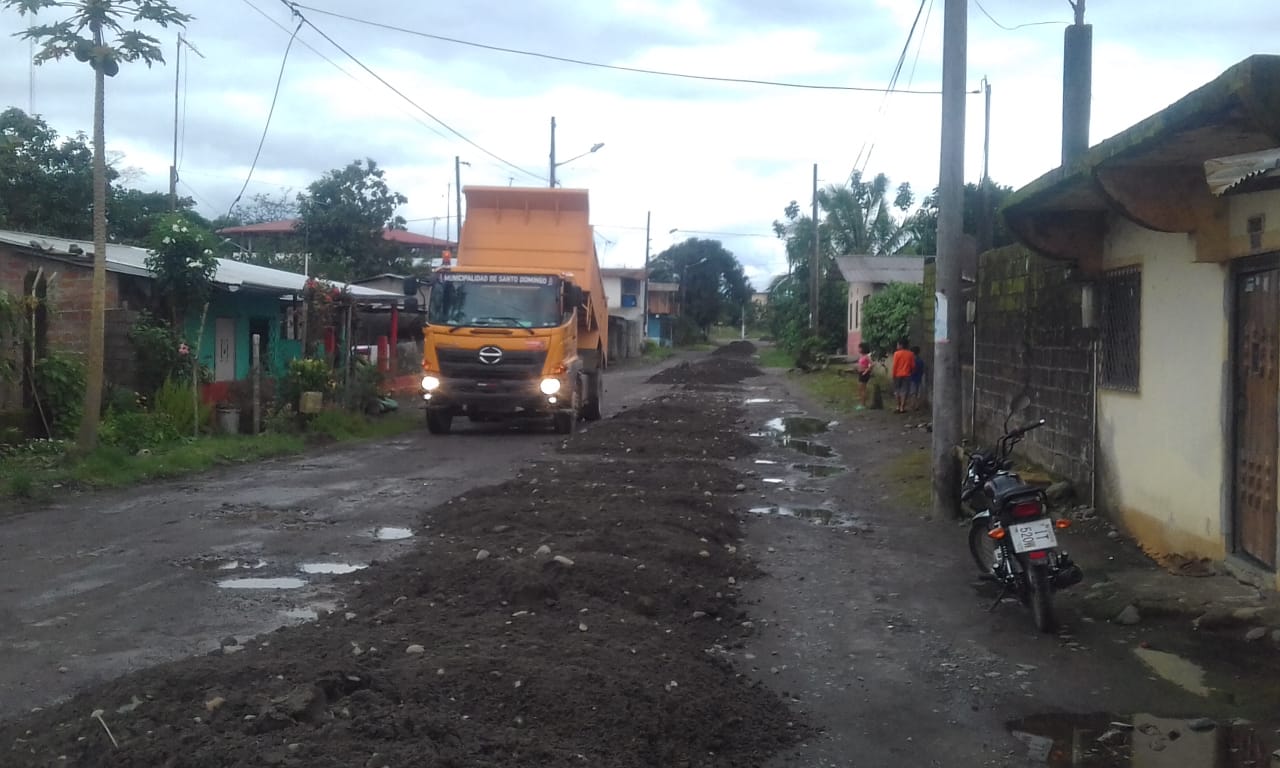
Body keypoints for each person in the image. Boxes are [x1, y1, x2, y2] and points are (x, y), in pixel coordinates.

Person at [891, 337, 914, 414]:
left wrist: (893, 374)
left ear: (901, 345)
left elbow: (895, 365)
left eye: (897, 344)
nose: (897, 346)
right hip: (907, 375)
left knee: (897, 390)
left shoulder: (896, 354)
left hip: (897, 375)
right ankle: (902, 407)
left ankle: (898, 406)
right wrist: (911, 372)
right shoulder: (910, 354)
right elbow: (913, 366)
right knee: (904, 391)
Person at [855, 342, 873, 411]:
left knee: (862, 389)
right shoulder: (862, 356)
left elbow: (872, 364)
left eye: (859, 348)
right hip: (860, 373)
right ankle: (862, 403)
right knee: (860, 389)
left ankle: (863, 404)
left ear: (863, 349)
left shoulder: (866, 356)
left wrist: (866, 371)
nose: (858, 349)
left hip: (864, 374)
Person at [909, 345, 926, 411]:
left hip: (913, 378)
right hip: (919, 378)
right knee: (918, 393)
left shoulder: (912, 361)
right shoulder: (921, 361)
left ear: (913, 353)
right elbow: (922, 370)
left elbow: (911, 370)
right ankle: (917, 406)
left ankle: (912, 405)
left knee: (913, 392)